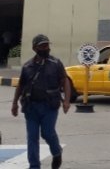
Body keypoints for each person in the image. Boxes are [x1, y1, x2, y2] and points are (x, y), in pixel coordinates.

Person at [11, 34, 71, 169]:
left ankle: (56, 152)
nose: (46, 48)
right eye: (42, 46)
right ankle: (34, 166)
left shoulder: (56, 63)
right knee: (32, 138)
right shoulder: (27, 66)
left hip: (49, 106)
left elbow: (65, 81)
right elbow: (21, 85)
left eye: (47, 45)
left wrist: (66, 100)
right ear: (34, 48)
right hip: (31, 107)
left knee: (47, 133)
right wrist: (14, 103)